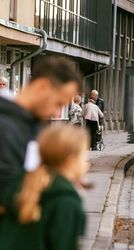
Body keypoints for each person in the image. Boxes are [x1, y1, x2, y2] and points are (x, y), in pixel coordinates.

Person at [0, 55, 82, 208]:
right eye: (58, 103)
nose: (57, 113)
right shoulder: (6, 126)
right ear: (42, 87)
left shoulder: (32, 126)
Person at [0, 124, 90, 250]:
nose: (87, 163)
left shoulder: (25, 182)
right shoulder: (67, 201)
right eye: (84, 156)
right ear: (71, 160)